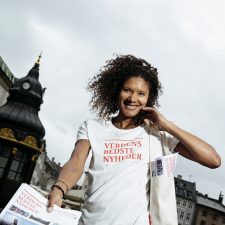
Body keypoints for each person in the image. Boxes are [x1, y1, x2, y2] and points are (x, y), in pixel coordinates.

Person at [47, 54, 221, 225]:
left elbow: (213, 160)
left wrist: (167, 125)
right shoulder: (92, 127)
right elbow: (76, 163)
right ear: (116, 91)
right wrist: (59, 189)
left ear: (148, 99)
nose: (133, 99)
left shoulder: (157, 134)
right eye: (127, 90)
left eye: (141, 93)